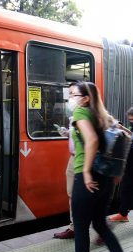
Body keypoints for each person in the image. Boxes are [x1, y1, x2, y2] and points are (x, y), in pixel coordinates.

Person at [56, 81, 133, 252]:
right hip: (105, 178)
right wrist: (117, 172)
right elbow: (125, 137)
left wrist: (87, 172)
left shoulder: (82, 113)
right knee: (100, 225)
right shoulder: (103, 116)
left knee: (81, 225)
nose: (70, 98)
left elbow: (92, 140)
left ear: (86, 98)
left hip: (87, 176)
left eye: (73, 95)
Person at [54, 84, 77, 239]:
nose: (70, 98)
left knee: (83, 195)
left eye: (73, 94)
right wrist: (68, 133)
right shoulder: (75, 114)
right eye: (69, 94)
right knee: (72, 193)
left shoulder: (88, 114)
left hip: (82, 158)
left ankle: (102, 224)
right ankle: (74, 226)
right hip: (73, 157)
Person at [109, 107, 133, 222]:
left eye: (132, 119)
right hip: (129, 164)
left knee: (127, 188)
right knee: (125, 188)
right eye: (130, 120)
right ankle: (123, 214)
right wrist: (122, 129)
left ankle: (123, 213)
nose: (131, 121)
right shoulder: (131, 126)